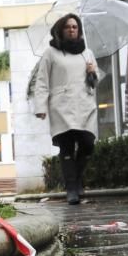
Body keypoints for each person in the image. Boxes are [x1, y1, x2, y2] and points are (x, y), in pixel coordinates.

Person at [32, 13, 101, 205]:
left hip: (84, 105)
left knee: (88, 145)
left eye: (75, 27)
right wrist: (41, 106)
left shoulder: (87, 53)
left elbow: (95, 82)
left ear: (79, 31)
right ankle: (72, 188)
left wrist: (92, 72)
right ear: (61, 30)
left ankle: (76, 181)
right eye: (68, 27)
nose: (72, 29)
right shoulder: (51, 53)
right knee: (67, 147)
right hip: (61, 106)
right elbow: (42, 81)